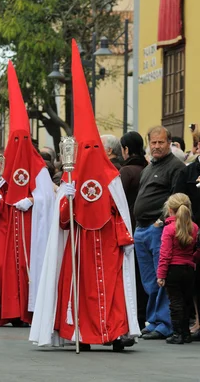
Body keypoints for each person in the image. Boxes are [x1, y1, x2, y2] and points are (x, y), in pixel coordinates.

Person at [30, 40, 139, 352]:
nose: (91, 155)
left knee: (113, 290)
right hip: (80, 246)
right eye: (87, 149)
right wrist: (68, 196)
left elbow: (120, 211)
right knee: (83, 291)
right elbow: (63, 222)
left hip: (107, 245)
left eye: (96, 149)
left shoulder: (113, 178)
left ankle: (118, 333)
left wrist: (122, 238)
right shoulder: (71, 179)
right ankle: (80, 332)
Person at [0, 62, 54, 327]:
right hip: (6, 228)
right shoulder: (1, 166)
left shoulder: (39, 168)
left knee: (28, 270)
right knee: (3, 268)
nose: (19, 146)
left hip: (31, 228)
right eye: (15, 140)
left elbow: (48, 198)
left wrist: (32, 200)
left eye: (24, 140)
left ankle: (28, 312)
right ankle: (5, 311)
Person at [134, 125, 185, 340]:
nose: (156, 146)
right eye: (153, 142)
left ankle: (164, 323)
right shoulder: (148, 167)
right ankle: (153, 320)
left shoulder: (176, 167)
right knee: (149, 281)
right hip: (141, 229)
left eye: (160, 142)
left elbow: (177, 199)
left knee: (161, 278)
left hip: (158, 230)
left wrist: (160, 223)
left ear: (169, 143)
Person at [157, 193, 200, 344]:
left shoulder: (169, 229)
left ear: (170, 210)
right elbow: (197, 249)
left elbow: (165, 255)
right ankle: (186, 332)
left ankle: (177, 334)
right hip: (189, 268)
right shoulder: (194, 227)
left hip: (173, 269)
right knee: (187, 301)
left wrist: (161, 275)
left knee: (175, 301)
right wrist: (193, 259)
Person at [119, 131, 149, 331]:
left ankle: (136, 317)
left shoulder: (126, 171)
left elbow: (118, 198)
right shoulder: (148, 168)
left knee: (133, 274)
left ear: (126, 150)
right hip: (145, 223)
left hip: (129, 224)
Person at [173, 130, 200, 339]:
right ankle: (198, 322)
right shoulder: (189, 172)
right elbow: (179, 199)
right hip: (195, 234)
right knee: (196, 282)